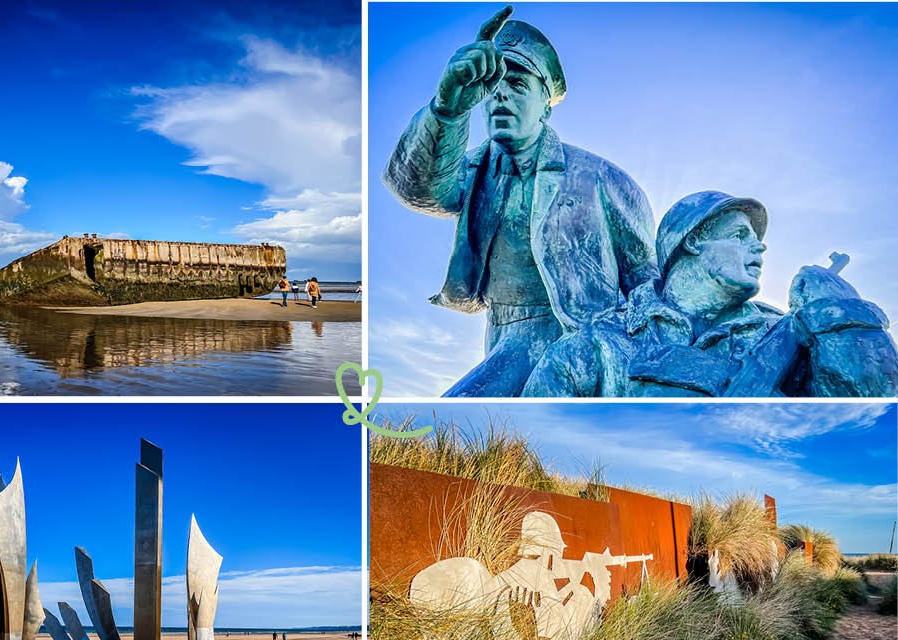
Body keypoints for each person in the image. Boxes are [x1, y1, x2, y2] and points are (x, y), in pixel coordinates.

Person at [383, 6, 657, 397]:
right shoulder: (474, 171)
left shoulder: (603, 179)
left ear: (547, 104)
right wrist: (447, 106)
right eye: (493, 88)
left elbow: (647, 283)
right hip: (502, 334)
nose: (501, 97)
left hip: (581, 342)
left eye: (518, 85)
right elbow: (415, 189)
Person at [523, 191, 898, 396]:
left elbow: (877, 400)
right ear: (693, 240)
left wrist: (839, 314)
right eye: (740, 237)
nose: (760, 248)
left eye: (757, 239)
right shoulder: (602, 339)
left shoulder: (788, 332)